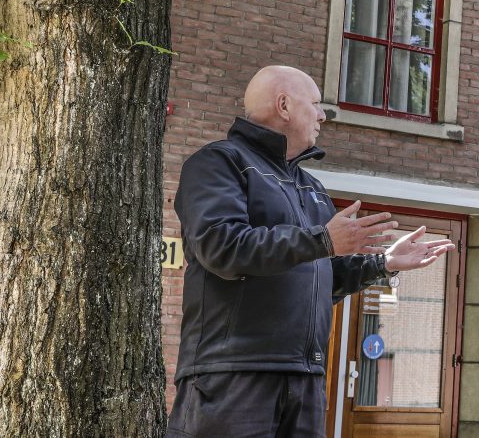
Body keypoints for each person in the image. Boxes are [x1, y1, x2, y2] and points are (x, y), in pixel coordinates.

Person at [166, 66, 453, 438]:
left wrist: (383, 263)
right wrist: (323, 241)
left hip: (305, 381)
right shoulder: (220, 163)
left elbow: (320, 280)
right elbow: (222, 248)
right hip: (232, 377)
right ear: (283, 105)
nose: (322, 115)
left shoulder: (311, 187)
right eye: (316, 104)